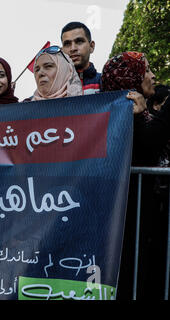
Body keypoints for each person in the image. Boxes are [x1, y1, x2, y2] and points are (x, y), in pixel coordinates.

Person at [101, 51, 169, 299]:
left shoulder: (137, 110)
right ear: (131, 78)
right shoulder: (123, 112)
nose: (152, 75)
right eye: (146, 70)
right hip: (129, 222)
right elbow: (150, 144)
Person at [61, 21, 101, 95]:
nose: (73, 48)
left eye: (79, 42)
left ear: (91, 46)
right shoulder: (53, 90)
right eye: (67, 44)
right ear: (62, 51)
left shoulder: (106, 82)